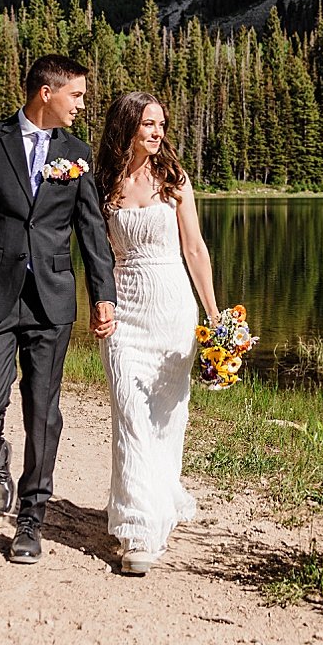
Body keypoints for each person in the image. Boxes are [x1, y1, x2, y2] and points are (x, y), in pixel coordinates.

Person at [0, 55, 117, 564]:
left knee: (44, 411)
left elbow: (91, 233)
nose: (83, 105)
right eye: (77, 96)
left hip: (51, 299)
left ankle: (31, 520)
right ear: (47, 92)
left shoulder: (77, 154)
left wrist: (102, 295)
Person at [94, 90, 220, 576]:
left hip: (172, 309)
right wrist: (98, 304)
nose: (157, 132)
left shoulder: (174, 178)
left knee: (167, 418)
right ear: (126, 126)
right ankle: (136, 529)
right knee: (129, 411)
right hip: (124, 310)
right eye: (148, 123)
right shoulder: (103, 180)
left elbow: (195, 247)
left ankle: (160, 499)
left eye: (161, 124)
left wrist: (213, 314)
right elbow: (96, 251)